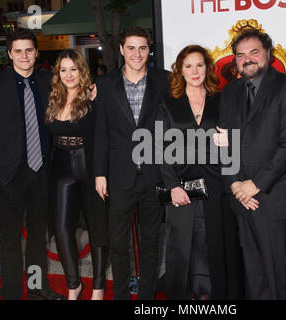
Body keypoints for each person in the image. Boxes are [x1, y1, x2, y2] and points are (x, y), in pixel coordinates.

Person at [0, 30, 64, 300]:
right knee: (10, 240)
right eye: (18, 51)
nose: (24, 56)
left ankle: (36, 288)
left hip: (41, 172)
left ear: (36, 52)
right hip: (8, 175)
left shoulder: (49, 80)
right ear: (10, 54)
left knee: (38, 237)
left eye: (29, 50)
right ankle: (10, 292)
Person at [218, 29, 286, 299]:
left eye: (253, 52)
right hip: (242, 199)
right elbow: (223, 142)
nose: (247, 59)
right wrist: (234, 184)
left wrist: (254, 184)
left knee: (279, 273)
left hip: (274, 197)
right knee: (254, 273)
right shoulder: (230, 92)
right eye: (240, 55)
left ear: (267, 53)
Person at [157, 45, 243, 300]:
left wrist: (231, 143)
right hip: (180, 188)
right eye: (188, 66)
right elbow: (160, 147)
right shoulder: (169, 103)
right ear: (180, 71)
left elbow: (235, 140)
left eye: (199, 65)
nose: (194, 71)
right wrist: (173, 185)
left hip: (216, 186)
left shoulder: (222, 100)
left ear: (208, 68)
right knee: (184, 250)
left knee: (214, 249)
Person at [94, 26, 169, 300]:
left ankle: (147, 298)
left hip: (154, 175)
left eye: (142, 48)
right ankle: (122, 295)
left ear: (149, 50)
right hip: (119, 176)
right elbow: (101, 132)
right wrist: (99, 174)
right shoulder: (104, 84)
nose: (137, 53)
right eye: (131, 48)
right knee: (117, 243)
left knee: (150, 242)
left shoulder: (165, 81)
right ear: (122, 50)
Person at [45, 49, 109, 300]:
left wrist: (103, 173)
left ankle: (98, 287)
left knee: (97, 229)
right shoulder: (53, 98)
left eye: (73, 69)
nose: (68, 74)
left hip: (90, 166)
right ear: (57, 73)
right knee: (61, 228)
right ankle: (74, 286)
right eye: (63, 70)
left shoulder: (95, 95)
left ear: (81, 70)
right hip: (61, 168)